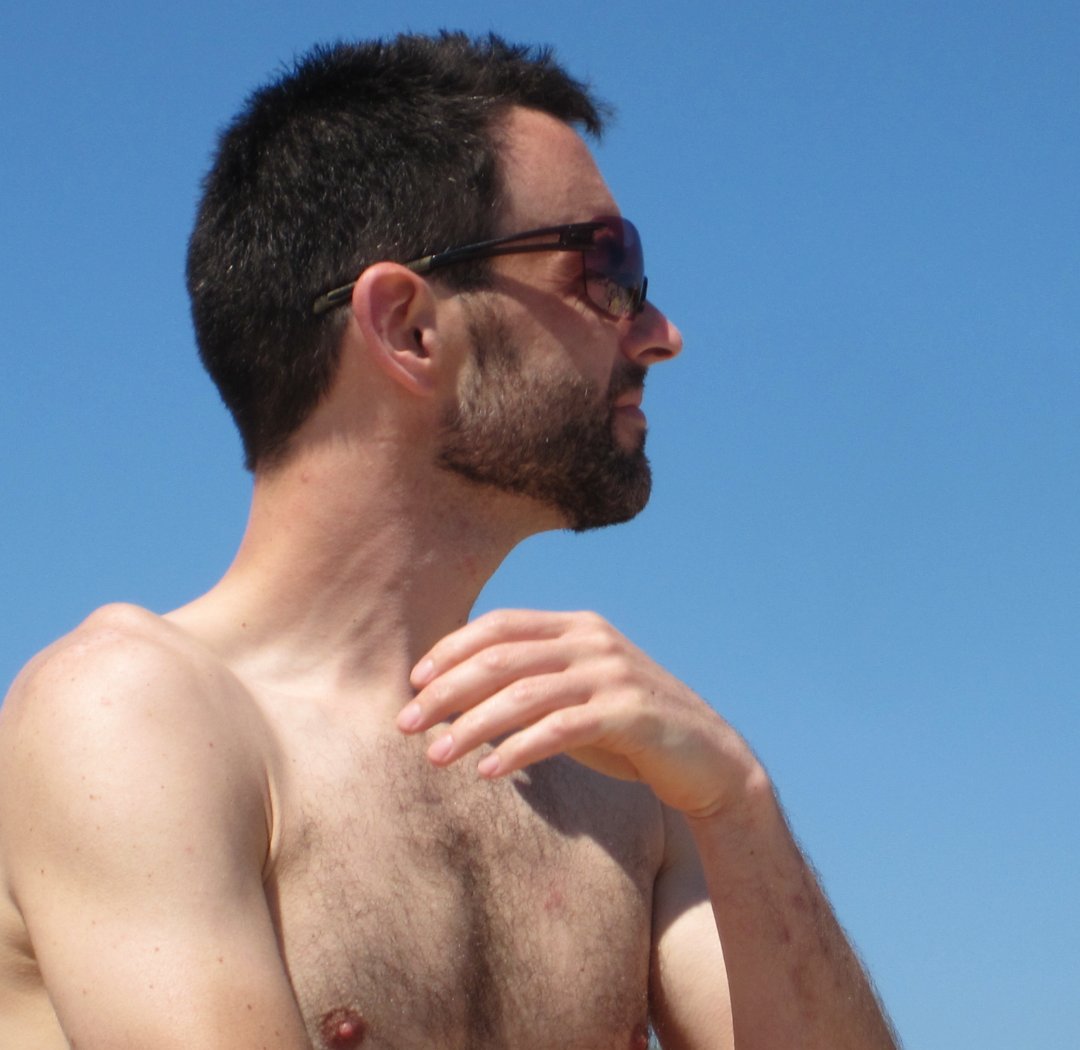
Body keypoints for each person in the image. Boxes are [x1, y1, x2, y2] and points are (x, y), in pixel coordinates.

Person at [0, 33, 899, 1050]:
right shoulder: (135, 714)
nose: (659, 333)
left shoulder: (617, 781)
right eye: (607, 270)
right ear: (408, 326)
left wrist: (738, 805)